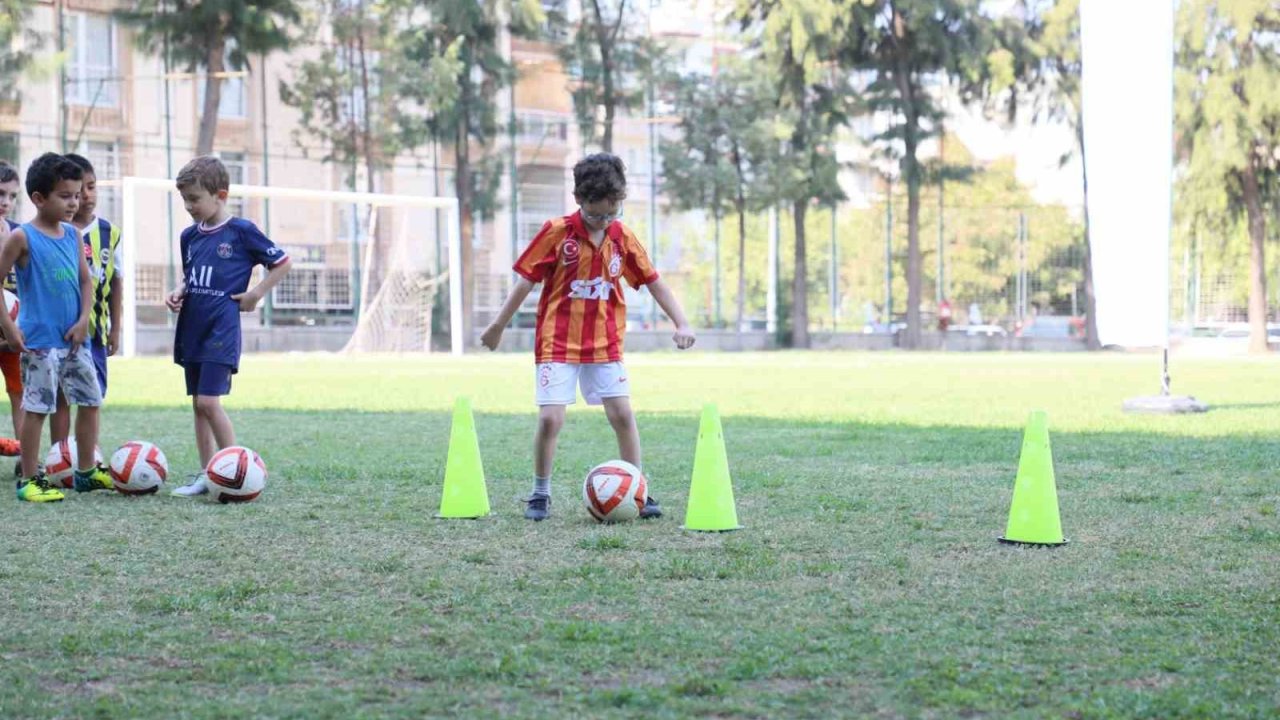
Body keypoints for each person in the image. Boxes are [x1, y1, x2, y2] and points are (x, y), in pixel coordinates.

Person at [480, 153, 696, 521]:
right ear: (579, 200)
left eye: (613, 213)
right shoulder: (556, 232)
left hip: (605, 343)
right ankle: (539, 493)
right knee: (550, 420)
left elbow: (653, 281)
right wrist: (498, 325)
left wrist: (682, 322)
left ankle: (637, 489)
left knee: (623, 415)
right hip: (557, 342)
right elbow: (525, 281)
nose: (605, 221)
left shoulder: (621, 236)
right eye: (597, 215)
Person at [166, 156, 291, 497]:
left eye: (195, 199)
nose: (189, 206)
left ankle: (237, 473)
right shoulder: (188, 236)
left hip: (221, 331)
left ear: (220, 195)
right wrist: (179, 291)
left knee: (209, 403)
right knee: (197, 403)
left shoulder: (242, 231)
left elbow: (282, 263)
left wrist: (255, 294)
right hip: (192, 327)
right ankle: (208, 476)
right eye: (185, 199)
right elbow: (191, 276)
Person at [0, 153, 114, 502]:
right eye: (65, 196)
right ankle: (31, 480)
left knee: (90, 401)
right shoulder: (22, 238)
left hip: (74, 341)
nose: (74, 202)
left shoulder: (73, 236)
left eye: (77, 194)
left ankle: (85, 472)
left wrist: (84, 320)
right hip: (38, 342)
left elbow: (85, 282)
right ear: (39, 199)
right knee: (37, 408)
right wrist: (8, 328)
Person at [49, 153, 122, 443]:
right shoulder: (53, 231)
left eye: (92, 187)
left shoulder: (110, 233)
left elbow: (116, 282)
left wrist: (116, 327)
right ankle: (60, 454)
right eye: (79, 192)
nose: (86, 196)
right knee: (61, 398)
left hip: (95, 334)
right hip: (59, 332)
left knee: (92, 398)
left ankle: (86, 455)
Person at [0, 161, 24, 457]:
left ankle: (27, 458)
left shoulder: (20, 234)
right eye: (0, 194)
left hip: (16, 334)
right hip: (8, 329)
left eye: (12, 196)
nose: (6, 202)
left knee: (20, 394)